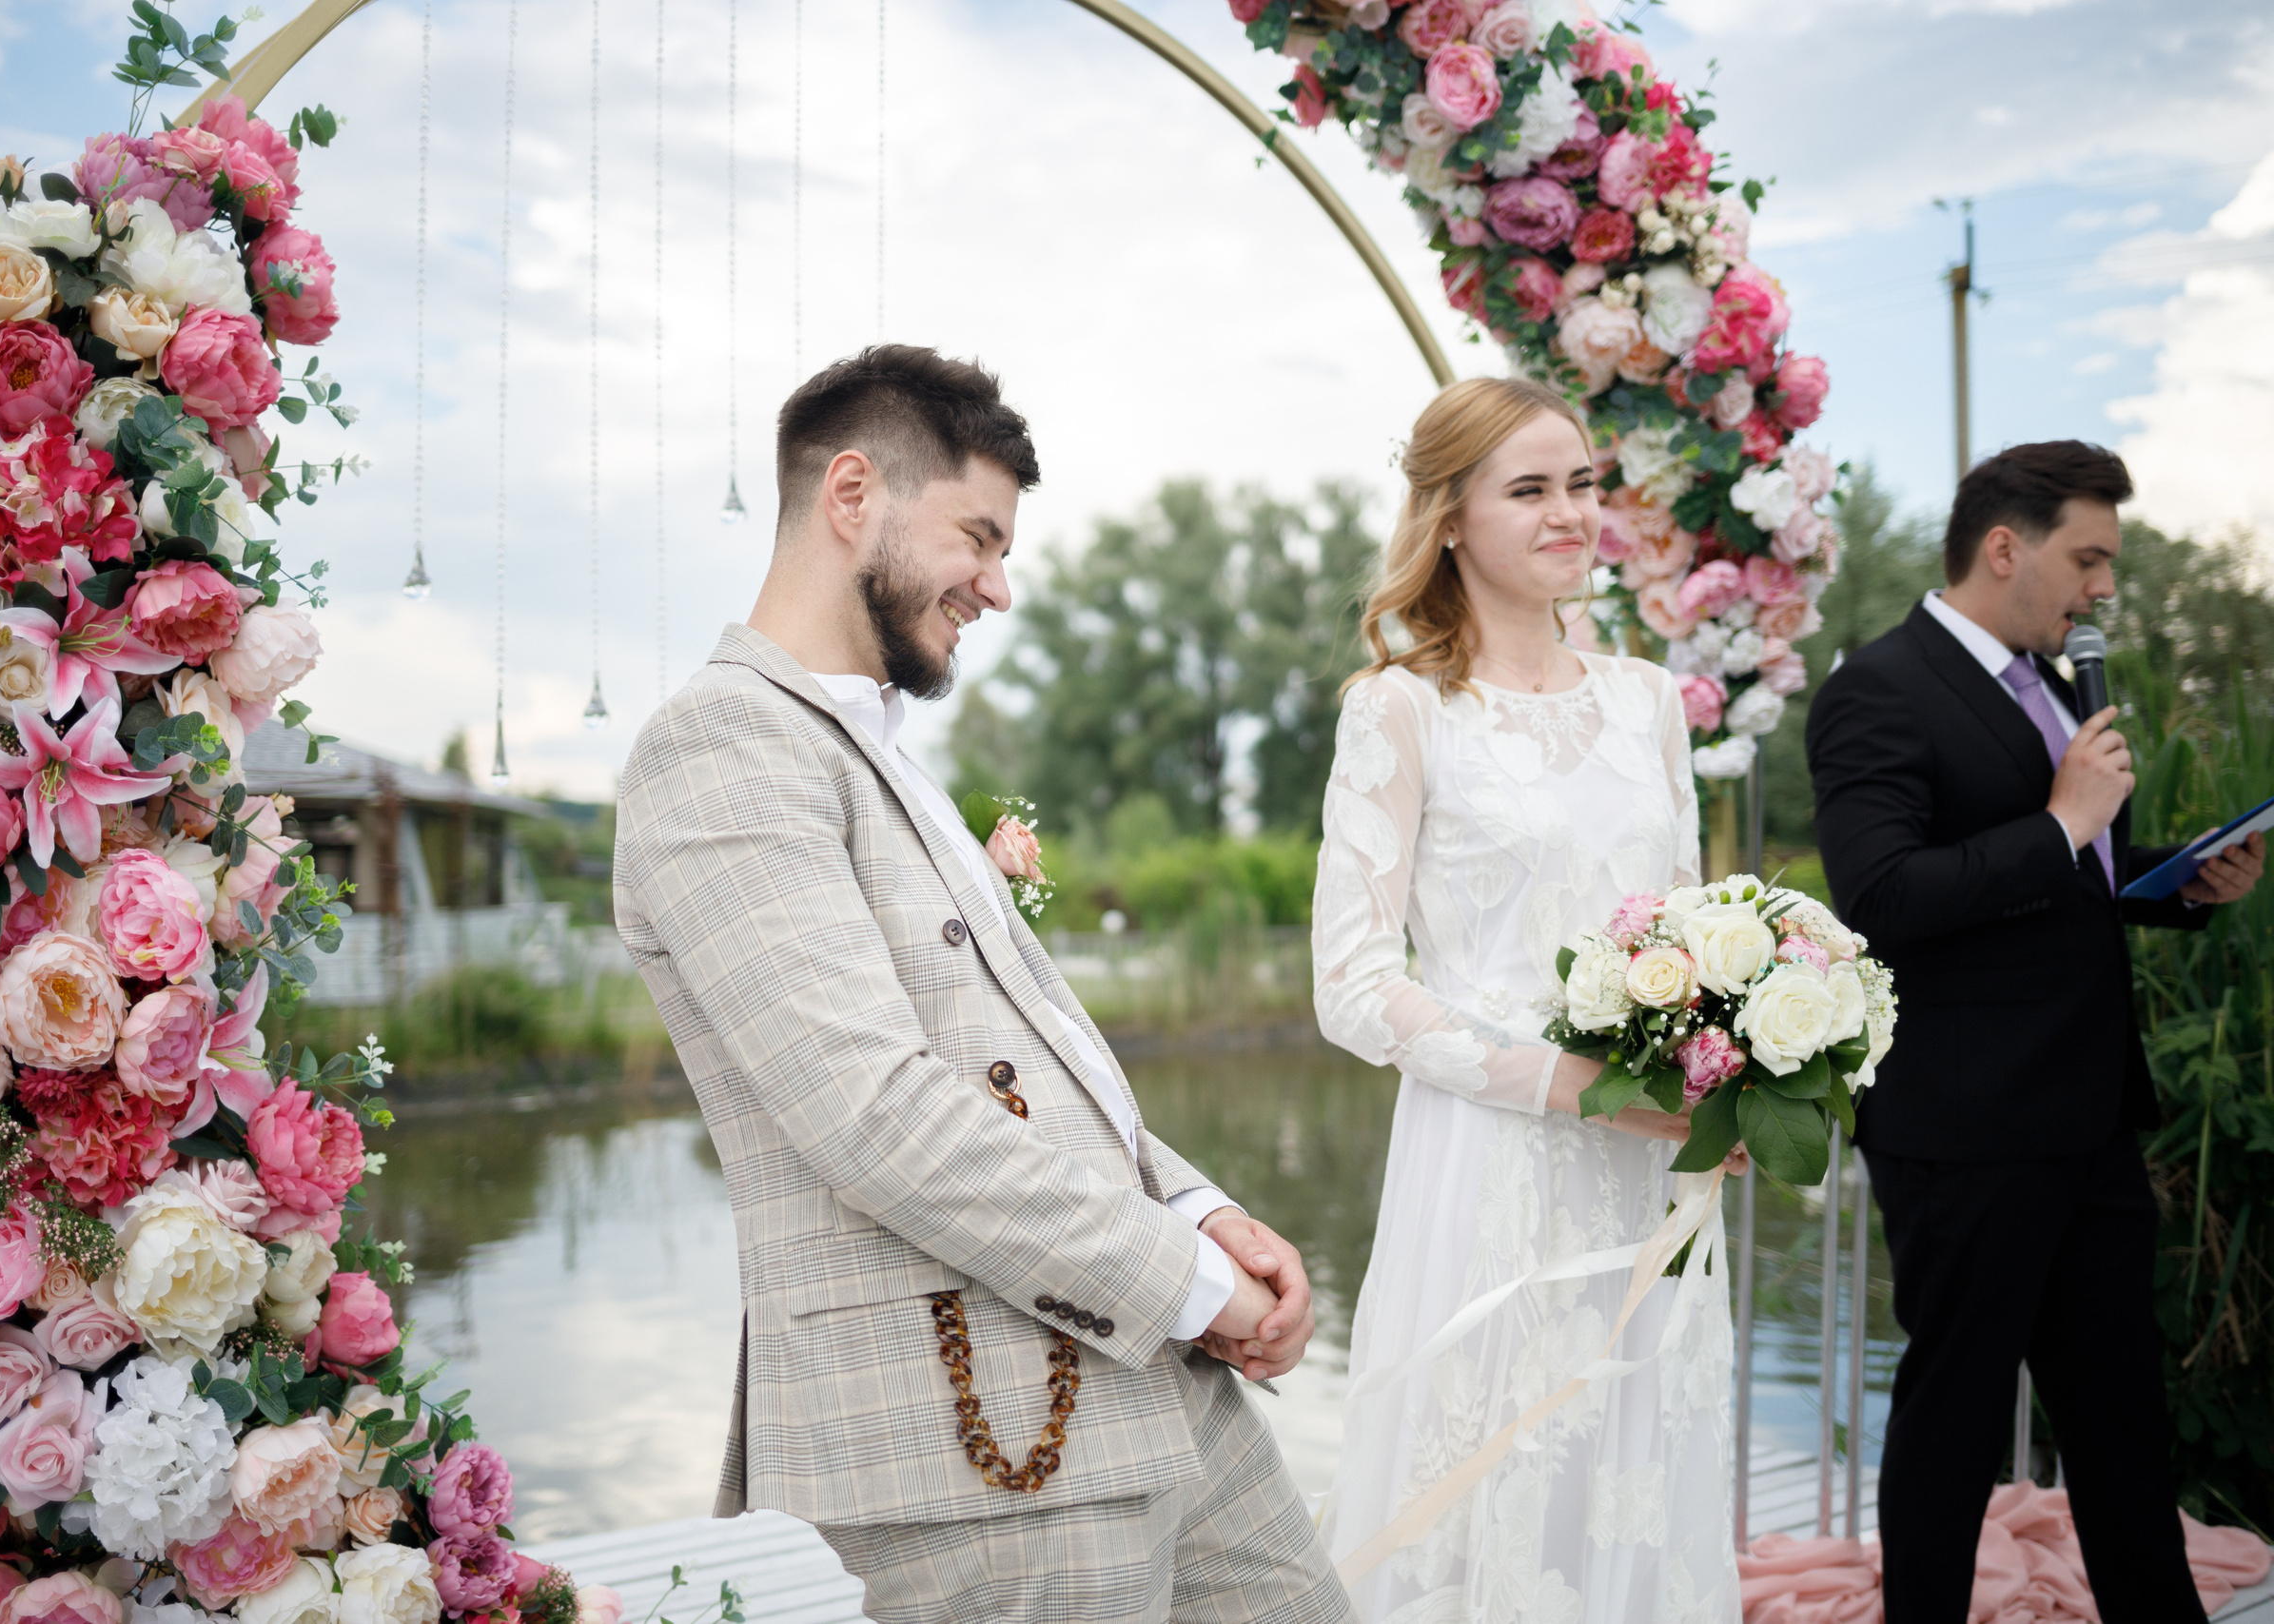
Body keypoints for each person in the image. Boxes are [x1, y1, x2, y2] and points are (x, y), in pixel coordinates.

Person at [611, 344, 1354, 1624]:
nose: (998, 587)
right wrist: (1180, 1276)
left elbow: (1019, 1063)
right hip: (971, 1430)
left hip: (1146, 1371)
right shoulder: (722, 743)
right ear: (854, 494)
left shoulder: (877, 748)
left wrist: (1199, 1202)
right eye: (979, 535)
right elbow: (878, 1111)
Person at [1804, 440, 2264, 1624]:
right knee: (1954, 1413)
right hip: (1964, 1126)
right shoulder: (1877, 688)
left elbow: (2070, 870)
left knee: (2119, 1411)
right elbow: (1884, 896)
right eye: (2088, 557)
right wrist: (2065, 821)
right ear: (2004, 547)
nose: (2102, 588)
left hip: (2090, 1115)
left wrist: (2171, 876)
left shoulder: (2053, 681)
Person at [1311, 377, 1745, 1623]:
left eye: (1585, 483)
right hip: (1487, 1163)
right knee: (1484, 1484)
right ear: (1450, 516)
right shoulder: (1400, 709)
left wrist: (1729, 1077)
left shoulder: (1649, 701)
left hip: (1643, 1163)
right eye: (1532, 488)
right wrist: (1570, 1088)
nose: (1572, 513)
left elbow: (1688, 936)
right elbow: (1353, 986)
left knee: (1627, 1471)